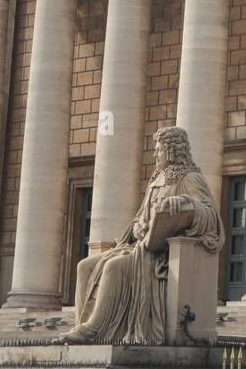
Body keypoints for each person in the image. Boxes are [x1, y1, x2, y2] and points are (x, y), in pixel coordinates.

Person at [57, 126, 224, 346]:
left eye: (159, 150)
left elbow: (211, 216)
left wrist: (187, 204)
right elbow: (140, 217)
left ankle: (93, 330)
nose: (155, 154)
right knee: (84, 266)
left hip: (160, 255)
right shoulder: (157, 179)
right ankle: (81, 324)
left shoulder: (190, 179)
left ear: (172, 150)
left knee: (114, 267)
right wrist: (136, 228)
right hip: (139, 246)